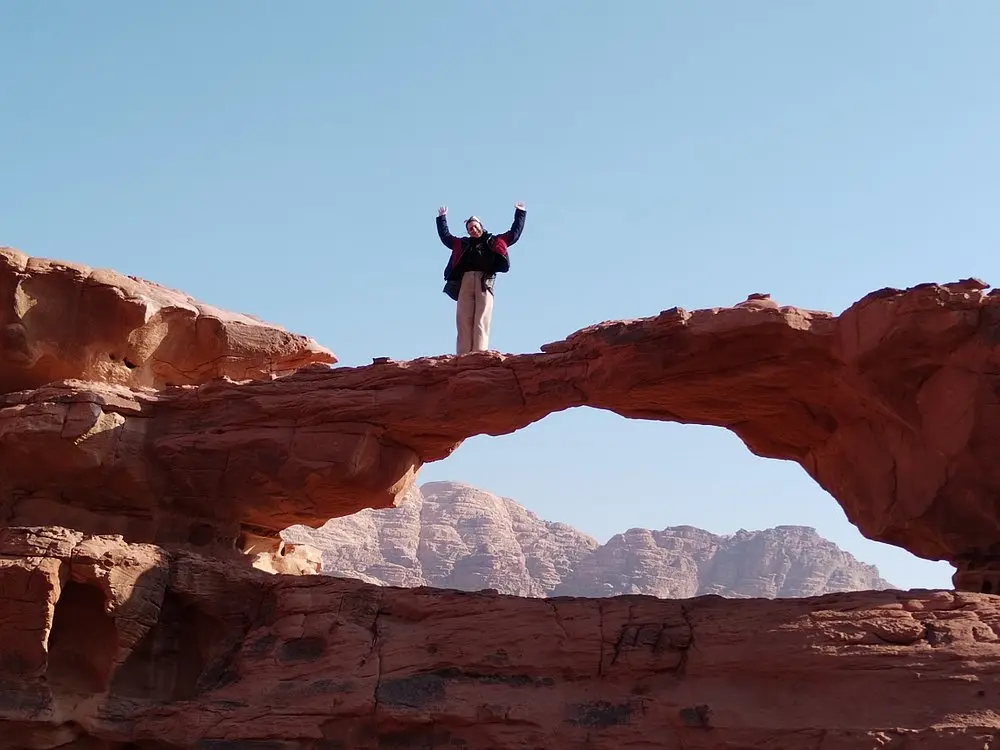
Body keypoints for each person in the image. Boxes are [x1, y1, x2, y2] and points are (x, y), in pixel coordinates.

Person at [436, 202, 526, 355]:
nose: (473, 229)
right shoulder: (462, 243)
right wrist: (442, 218)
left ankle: (478, 353)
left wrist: (520, 213)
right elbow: (446, 237)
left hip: (484, 281)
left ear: (481, 226)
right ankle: (463, 354)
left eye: (475, 226)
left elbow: (514, 234)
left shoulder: (493, 240)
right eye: (470, 228)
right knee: (464, 318)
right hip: (466, 280)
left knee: (482, 318)